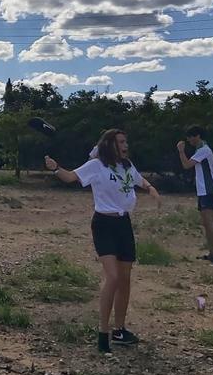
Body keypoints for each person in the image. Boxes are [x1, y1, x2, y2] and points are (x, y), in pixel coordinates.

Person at [45, 129, 161, 354]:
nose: (125, 145)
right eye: (121, 142)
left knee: (125, 279)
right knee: (113, 277)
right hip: (104, 225)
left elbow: (139, 179)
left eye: (126, 141)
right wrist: (56, 168)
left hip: (123, 224)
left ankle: (120, 330)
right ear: (109, 145)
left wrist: (150, 188)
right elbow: (70, 177)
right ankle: (103, 332)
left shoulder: (126, 165)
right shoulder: (97, 166)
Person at [177, 126, 213, 263]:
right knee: (206, 223)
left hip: (209, 190)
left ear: (197, 136)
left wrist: (181, 151)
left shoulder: (204, 150)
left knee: (209, 222)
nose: (189, 140)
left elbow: (187, 165)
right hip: (204, 191)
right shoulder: (200, 150)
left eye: (190, 137)